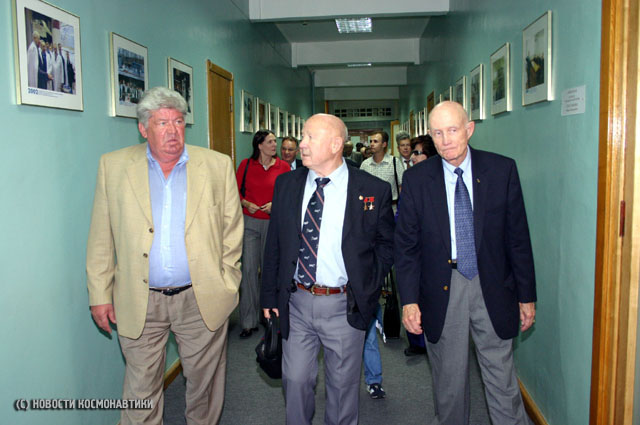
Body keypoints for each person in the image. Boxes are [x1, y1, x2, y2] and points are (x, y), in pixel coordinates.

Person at [86, 86, 243, 425]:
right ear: (143, 129)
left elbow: (232, 231)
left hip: (200, 297)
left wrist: (228, 281)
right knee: (140, 390)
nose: (173, 131)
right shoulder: (113, 166)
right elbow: (101, 237)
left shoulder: (217, 165)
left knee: (204, 387)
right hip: (139, 298)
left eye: (179, 122)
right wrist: (99, 294)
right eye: (162, 123)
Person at [395, 101, 536, 424]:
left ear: (469, 129)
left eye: (453, 130)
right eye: (437, 133)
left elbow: (518, 238)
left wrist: (526, 295)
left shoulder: (501, 170)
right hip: (443, 286)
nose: (446, 140)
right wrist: (409, 301)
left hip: (493, 285)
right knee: (449, 381)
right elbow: (407, 247)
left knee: (502, 377)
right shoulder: (417, 179)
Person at [261, 113, 394, 425]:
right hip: (297, 301)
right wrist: (268, 296)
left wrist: (368, 286)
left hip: (344, 304)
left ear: (336, 145)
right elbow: (275, 244)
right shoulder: (287, 184)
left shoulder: (372, 189)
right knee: (295, 381)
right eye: (302, 137)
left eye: (310, 137)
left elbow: (387, 245)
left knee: (342, 389)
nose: (301, 144)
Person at [235, 130, 290, 338]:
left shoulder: (283, 167)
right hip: (250, 222)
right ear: (259, 145)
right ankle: (248, 322)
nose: (274, 145)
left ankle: (269, 317)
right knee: (249, 271)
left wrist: (276, 204)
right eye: (270, 142)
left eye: (275, 141)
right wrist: (245, 202)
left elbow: (289, 193)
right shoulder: (246, 165)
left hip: (274, 224)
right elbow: (235, 191)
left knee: (270, 271)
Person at [360, 131, 404, 213]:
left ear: (384, 144)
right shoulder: (365, 164)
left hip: (391, 209)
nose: (372, 144)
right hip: (370, 209)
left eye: (375, 141)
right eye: (371, 141)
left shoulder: (394, 162)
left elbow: (402, 186)